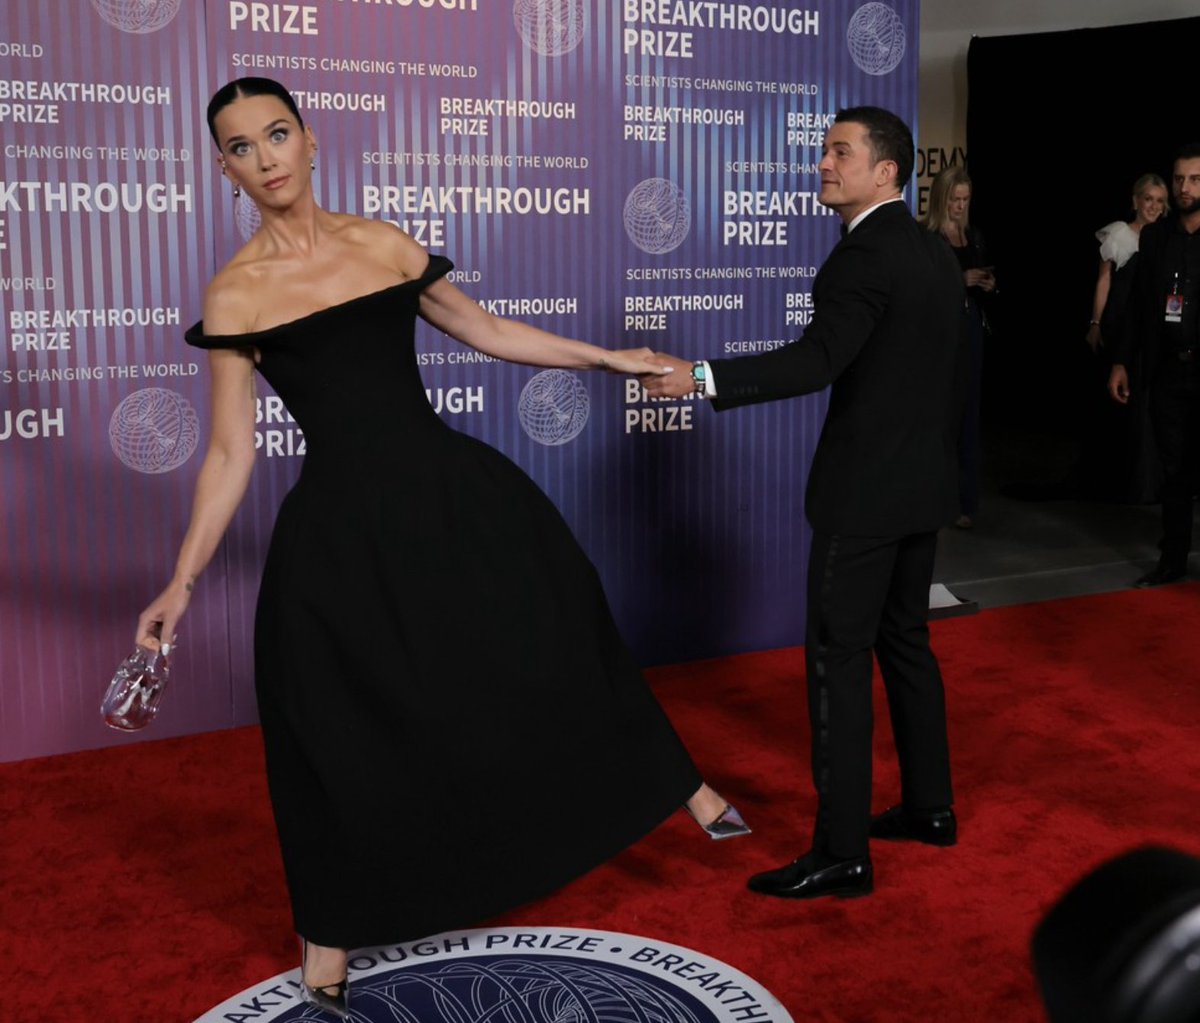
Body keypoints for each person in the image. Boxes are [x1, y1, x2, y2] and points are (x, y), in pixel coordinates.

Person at [136, 77, 748, 1020]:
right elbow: (228, 450)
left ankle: (685, 788)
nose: (266, 159)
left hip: (453, 499)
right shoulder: (236, 291)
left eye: (277, 134)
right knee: (331, 719)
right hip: (341, 533)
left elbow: (484, 327)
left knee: (553, 641)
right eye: (242, 147)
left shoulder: (381, 242)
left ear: (309, 137)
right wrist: (180, 579)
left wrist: (605, 357)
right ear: (222, 167)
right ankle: (329, 929)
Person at [641, 107, 963, 900]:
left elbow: (818, 363)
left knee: (838, 665)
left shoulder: (860, 260)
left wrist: (701, 377)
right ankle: (930, 809)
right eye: (824, 151)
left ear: (885, 171)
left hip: (862, 498)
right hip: (923, 487)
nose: (823, 164)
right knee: (908, 646)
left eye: (840, 153)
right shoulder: (933, 253)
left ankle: (842, 852)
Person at [1109, 145, 1200, 587]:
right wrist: (1122, 361)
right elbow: (1138, 309)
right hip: (1168, 371)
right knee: (1174, 468)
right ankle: (1174, 560)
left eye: (1195, 179)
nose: (1185, 188)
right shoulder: (1157, 238)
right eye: (1180, 179)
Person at [1080, 174, 1167, 504]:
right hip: (1118, 325)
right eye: (1148, 199)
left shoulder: (1166, 239)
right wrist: (1096, 322)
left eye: (1160, 201)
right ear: (1136, 200)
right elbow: (1104, 282)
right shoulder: (1119, 234)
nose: (1154, 207)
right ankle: (1113, 477)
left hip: (1149, 329)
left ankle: (1144, 479)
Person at [921, 165, 994, 529]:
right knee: (941, 416)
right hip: (941, 333)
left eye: (965, 200)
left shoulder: (974, 236)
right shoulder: (928, 238)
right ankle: (937, 498)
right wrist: (958, 280)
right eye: (954, 199)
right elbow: (923, 290)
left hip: (971, 328)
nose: (960, 207)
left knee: (968, 414)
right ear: (941, 198)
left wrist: (985, 283)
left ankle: (965, 501)